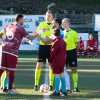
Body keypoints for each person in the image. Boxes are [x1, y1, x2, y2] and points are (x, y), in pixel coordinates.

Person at [0, 14, 32, 94]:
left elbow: (1, 34)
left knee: (2, 70)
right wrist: (37, 33)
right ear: (20, 19)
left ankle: (4, 88)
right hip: (12, 52)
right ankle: (10, 89)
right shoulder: (20, 28)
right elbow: (30, 37)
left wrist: (3, 42)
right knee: (11, 71)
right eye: (23, 19)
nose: (23, 21)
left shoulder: (8, 26)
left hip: (3, 49)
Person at [34, 10, 54, 91]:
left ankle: (51, 84)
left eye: (49, 15)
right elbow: (37, 34)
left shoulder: (54, 25)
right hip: (42, 47)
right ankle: (35, 84)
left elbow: (54, 37)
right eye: (47, 15)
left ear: (52, 16)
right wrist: (42, 39)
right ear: (45, 16)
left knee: (51, 66)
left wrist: (47, 40)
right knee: (39, 65)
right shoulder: (41, 24)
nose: (48, 17)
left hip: (51, 48)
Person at [62, 18, 79, 92]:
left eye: (65, 23)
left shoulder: (74, 32)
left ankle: (75, 87)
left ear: (69, 23)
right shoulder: (61, 33)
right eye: (63, 23)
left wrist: (75, 52)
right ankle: (64, 87)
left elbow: (77, 44)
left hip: (72, 52)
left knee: (74, 69)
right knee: (62, 70)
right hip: (63, 53)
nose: (63, 24)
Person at [50, 19, 67, 96]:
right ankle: (64, 90)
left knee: (56, 75)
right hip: (63, 61)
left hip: (56, 61)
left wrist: (50, 60)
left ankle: (56, 91)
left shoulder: (55, 42)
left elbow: (53, 52)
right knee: (62, 75)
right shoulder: (63, 41)